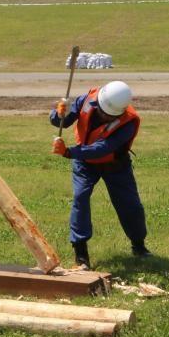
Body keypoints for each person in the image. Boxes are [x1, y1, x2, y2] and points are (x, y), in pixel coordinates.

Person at [50, 81, 152, 269]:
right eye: (102, 111)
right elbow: (61, 122)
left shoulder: (128, 122)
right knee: (80, 198)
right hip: (84, 164)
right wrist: (59, 114)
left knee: (130, 205)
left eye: (109, 115)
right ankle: (81, 255)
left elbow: (101, 148)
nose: (103, 116)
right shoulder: (86, 100)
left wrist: (69, 152)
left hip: (115, 165)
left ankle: (139, 245)